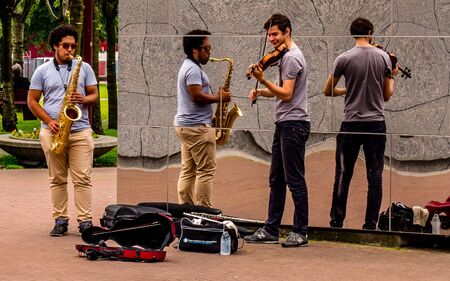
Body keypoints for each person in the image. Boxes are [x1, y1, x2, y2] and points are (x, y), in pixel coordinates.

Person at [323, 18, 399, 230]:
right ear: (370, 32)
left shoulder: (343, 58)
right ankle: (370, 224)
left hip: (351, 123)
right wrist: (392, 76)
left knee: (343, 174)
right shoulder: (383, 57)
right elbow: (386, 96)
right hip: (375, 124)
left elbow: (327, 90)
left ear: (352, 33)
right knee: (374, 176)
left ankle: (336, 222)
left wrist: (348, 91)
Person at [244, 14, 310, 247]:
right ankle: (271, 229)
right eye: (269, 34)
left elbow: (287, 94)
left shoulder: (292, 58)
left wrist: (262, 81)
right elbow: (280, 90)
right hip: (285, 123)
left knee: (294, 180)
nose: (271, 39)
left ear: (287, 32)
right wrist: (262, 92)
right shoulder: (285, 57)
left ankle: (300, 231)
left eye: (275, 34)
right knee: (277, 178)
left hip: (294, 124)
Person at [28, 24, 99, 237]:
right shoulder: (42, 71)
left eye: (73, 46)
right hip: (53, 131)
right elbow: (32, 101)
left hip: (79, 130)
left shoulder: (84, 68)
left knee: (82, 178)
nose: (70, 50)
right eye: (65, 46)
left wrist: (84, 99)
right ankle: (60, 220)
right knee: (57, 179)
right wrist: (49, 121)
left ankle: (85, 221)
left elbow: (94, 94)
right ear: (54, 47)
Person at [174, 29, 232, 208]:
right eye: (206, 49)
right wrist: (219, 98)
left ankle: (185, 210)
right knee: (206, 171)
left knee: (188, 170)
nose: (210, 53)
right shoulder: (192, 70)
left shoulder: (189, 66)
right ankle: (203, 212)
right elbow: (196, 96)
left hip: (186, 126)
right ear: (195, 50)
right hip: (197, 127)